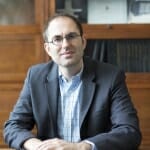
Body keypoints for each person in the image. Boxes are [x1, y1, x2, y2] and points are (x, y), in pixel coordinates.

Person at [3, 13, 141, 150]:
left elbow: (129, 131)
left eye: (71, 36)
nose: (66, 45)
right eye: (57, 39)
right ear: (48, 49)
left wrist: (82, 147)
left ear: (83, 42)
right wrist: (38, 146)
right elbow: (13, 126)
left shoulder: (110, 76)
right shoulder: (36, 76)